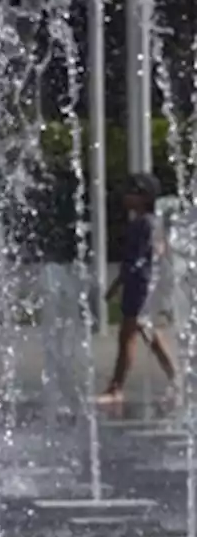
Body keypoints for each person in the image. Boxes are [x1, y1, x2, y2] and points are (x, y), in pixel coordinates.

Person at [95, 172, 177, 403]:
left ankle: (116, 389)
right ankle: (176, 379)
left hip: (140, 286)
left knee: (128, 337)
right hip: (139, 285)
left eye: (131, 192)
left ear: (143, 196)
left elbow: (142, 259)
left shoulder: (145, 224)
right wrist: (117, 284)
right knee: (149, 335)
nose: (125, 196)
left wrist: (122, 284)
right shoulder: (146, 223)